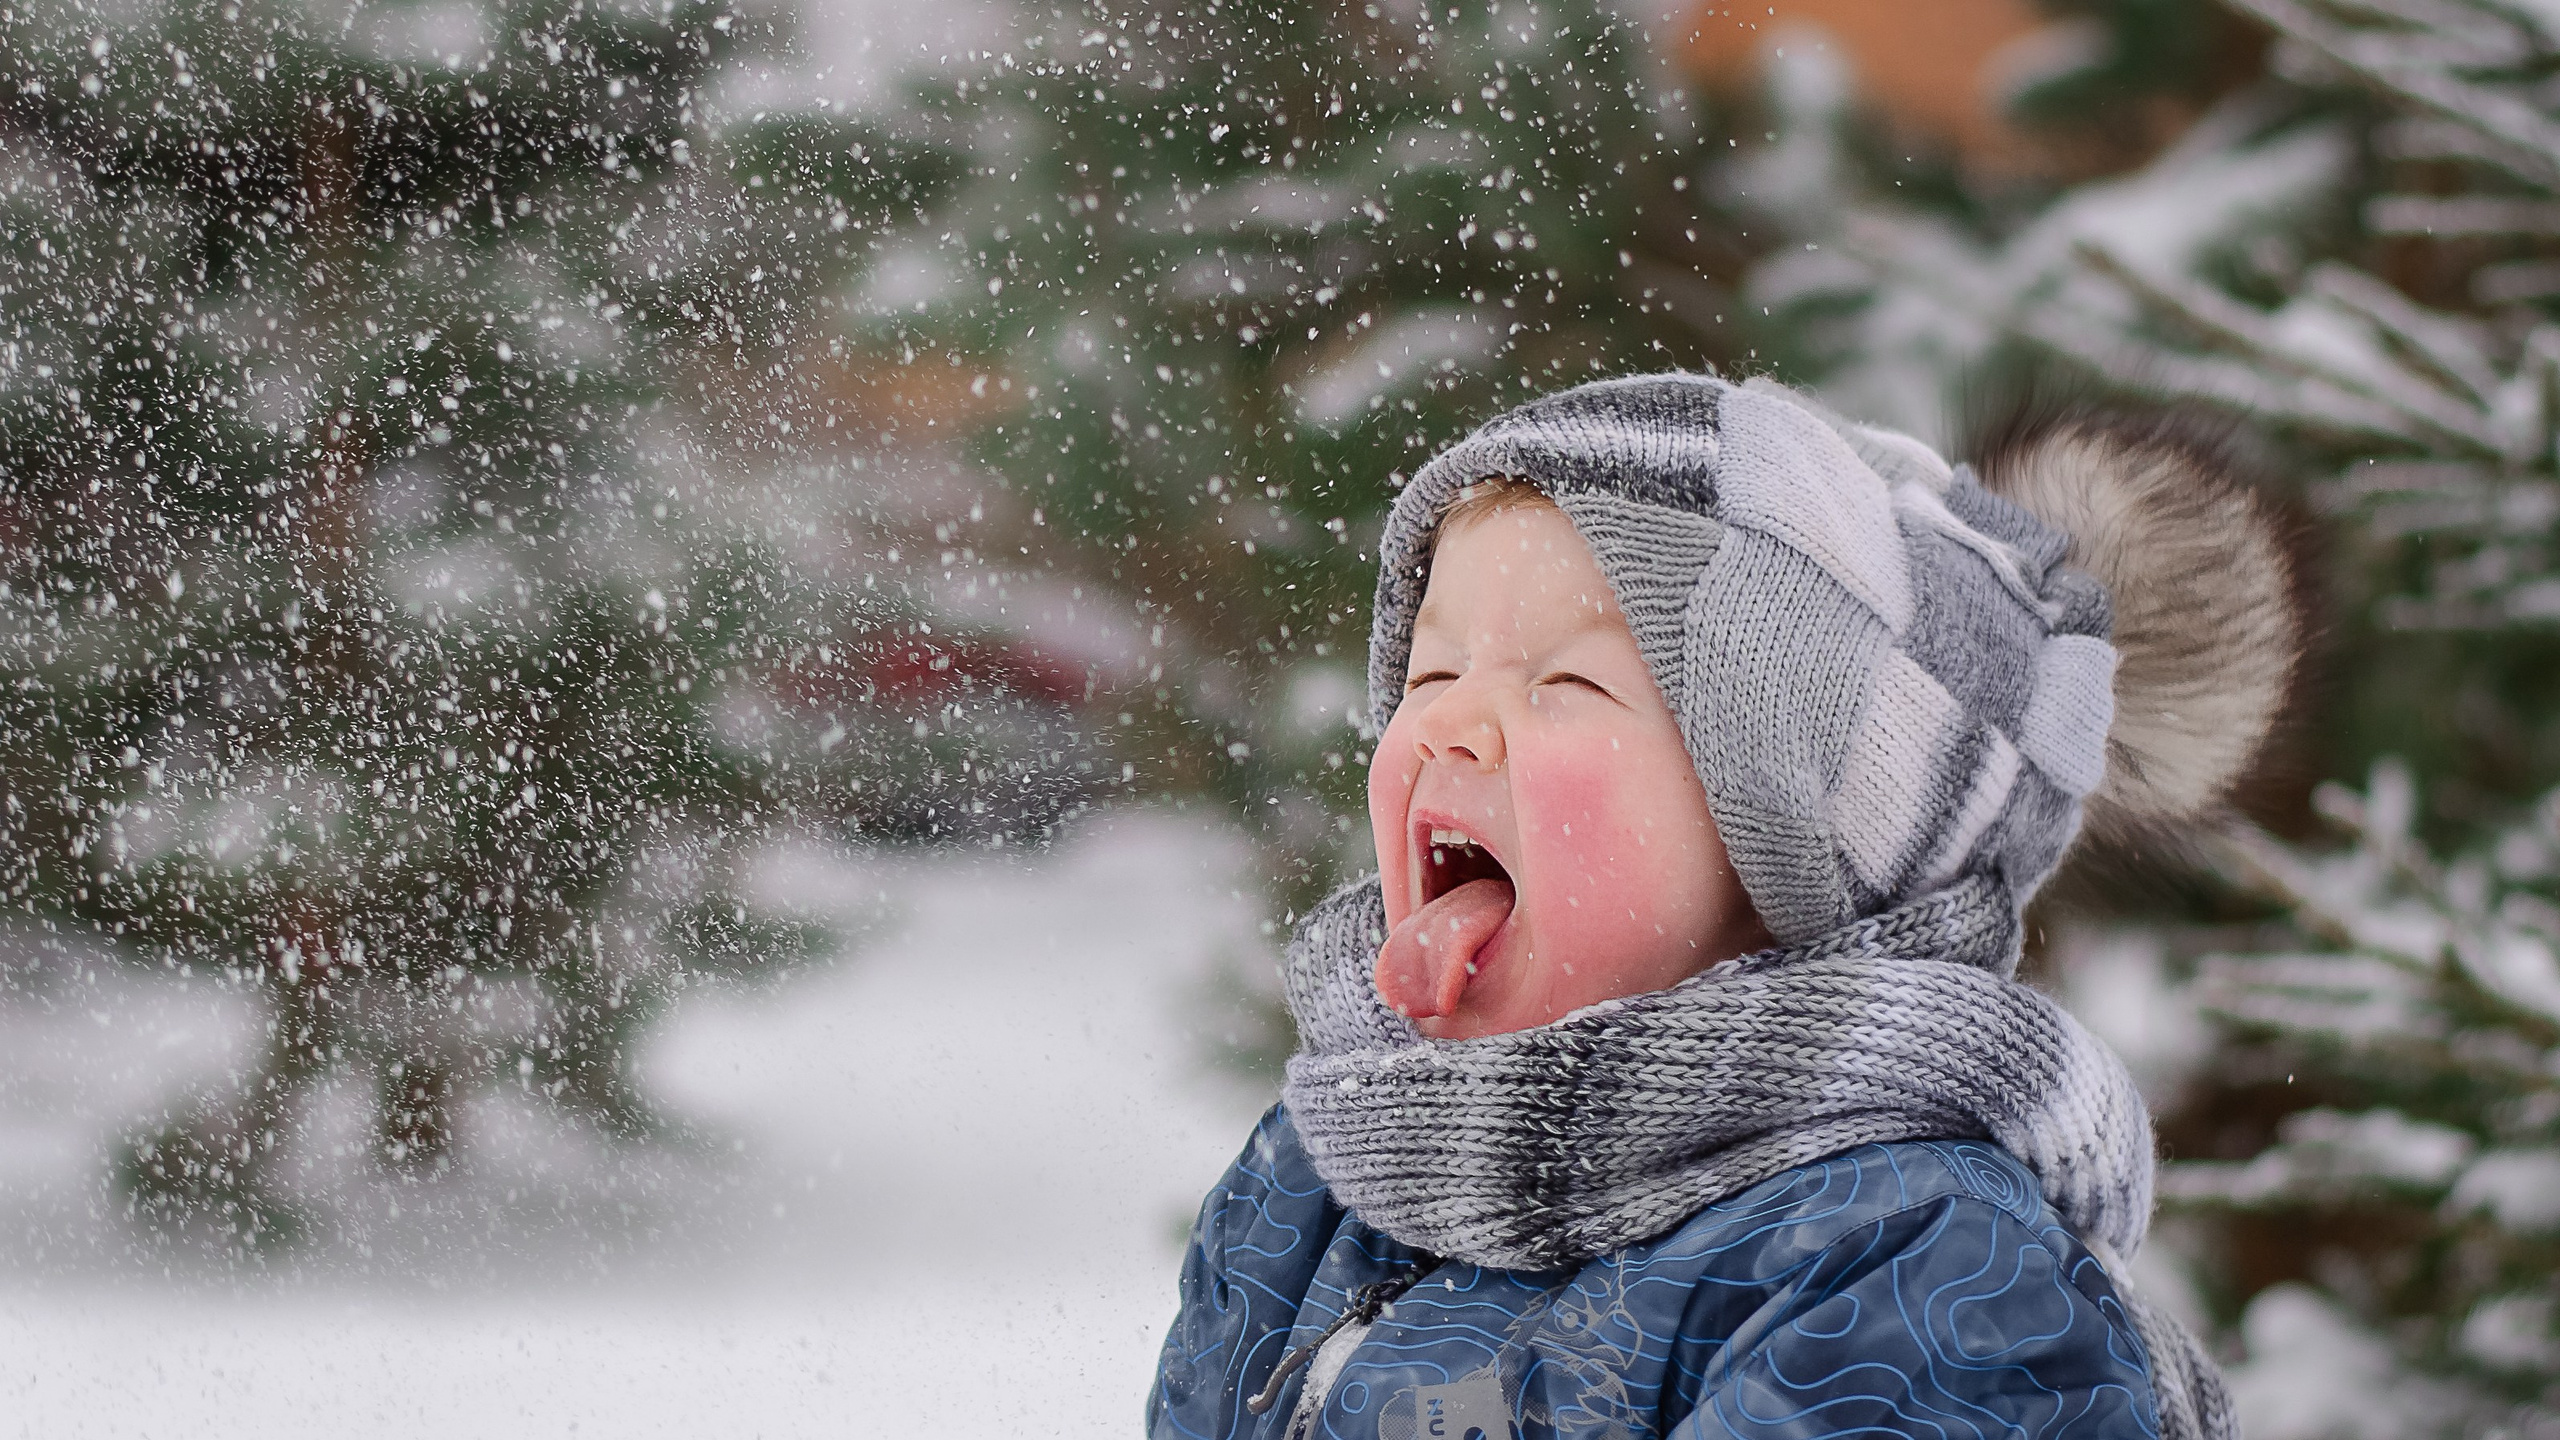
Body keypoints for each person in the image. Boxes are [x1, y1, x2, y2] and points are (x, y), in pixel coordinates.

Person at [1148, 373, 2299, 1440]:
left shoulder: (1913, 1262)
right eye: (1431, 675)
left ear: (1788, 844)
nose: (1448, 722)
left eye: (1567, 682)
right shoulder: (1320, 1179)